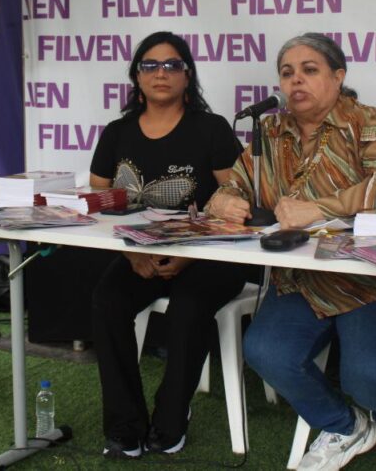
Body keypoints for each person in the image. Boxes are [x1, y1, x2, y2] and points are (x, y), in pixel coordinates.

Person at [207, 33, 376, 471]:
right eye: (287, 73)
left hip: (372, 278)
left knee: (366, 374)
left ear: (338, 76)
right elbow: (231, 186)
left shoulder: (365, 121)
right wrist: (224, 202)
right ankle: (345, 426)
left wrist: (321, 209)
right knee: (266, 351)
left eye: (309, 70)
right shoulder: (270, 132)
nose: (296, 81)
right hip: (303, 279)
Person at [89, 31, 249, 459]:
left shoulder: (211, 129)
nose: (161, 73)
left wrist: (187, 254)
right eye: (150, 65)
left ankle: (172, 416)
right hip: (141, 253)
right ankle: (124, 425)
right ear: (137, 76)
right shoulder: (117, 133)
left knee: (189, 308)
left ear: (187, 75)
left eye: (172, 65)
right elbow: (101, 202)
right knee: (107, 301)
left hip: (211, 255)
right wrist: (130, 252)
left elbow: (237, 201)